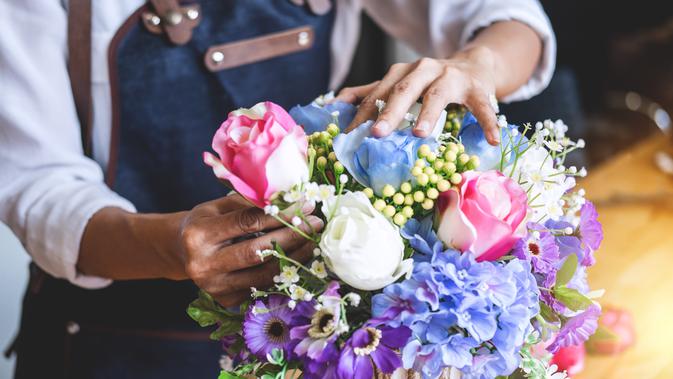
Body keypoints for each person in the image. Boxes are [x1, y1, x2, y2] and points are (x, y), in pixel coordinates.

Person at [0, 0, 555, 378]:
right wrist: (173, 245)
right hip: (112, 343)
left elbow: (511, 21)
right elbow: (35, 184)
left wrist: (472, 64)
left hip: (307, 343)